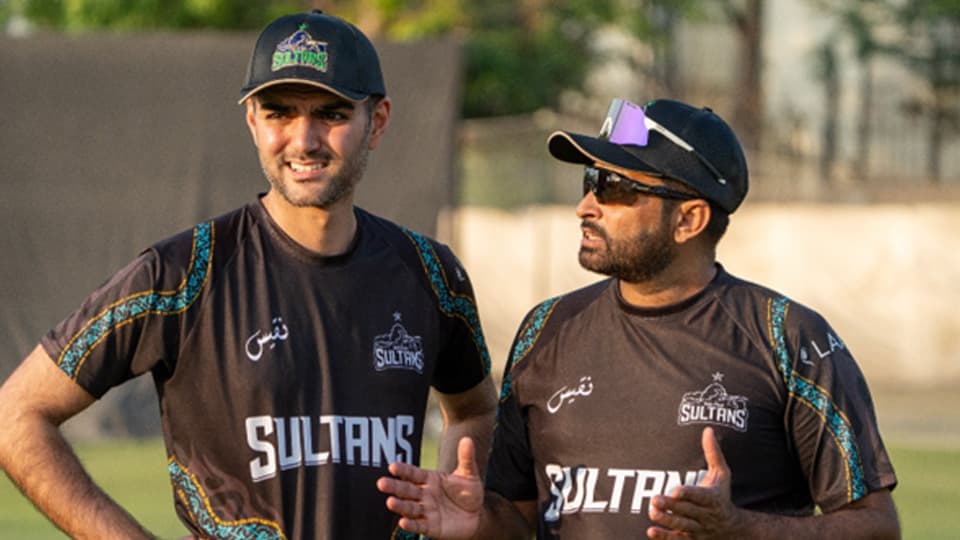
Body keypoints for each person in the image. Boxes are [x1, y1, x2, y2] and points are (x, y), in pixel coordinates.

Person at [0, 10, 497, 540]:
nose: (304, 140)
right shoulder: (182, 276)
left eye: (331, 114)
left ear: (376, 122)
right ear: (253, 121)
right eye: (280, 112)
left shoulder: (430, 274)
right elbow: (17, 415)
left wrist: (443, 510)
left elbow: (474, 411)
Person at [377, 98, 900, 539]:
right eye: (589, 179)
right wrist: (478, 523)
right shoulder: (546, 328)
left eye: (613, 186)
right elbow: (518, 518)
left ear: (689, 219)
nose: (586, 206)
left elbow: (876, 527)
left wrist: (739, 529)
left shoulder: (785, 336)